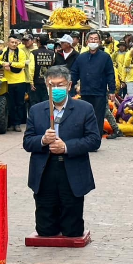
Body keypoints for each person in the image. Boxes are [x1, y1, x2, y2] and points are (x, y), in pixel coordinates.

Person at [24, 66, 101, 237]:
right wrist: (43, 140)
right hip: (45, 169)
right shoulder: (37, 110)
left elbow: (94, 140)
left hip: (71, 168)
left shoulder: (84, 109)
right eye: (52, 85)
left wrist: (66, 147)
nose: (56, 89)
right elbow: (28, 142)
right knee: (45, 229)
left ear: (69, 85)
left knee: (72, 229)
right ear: (46, 85)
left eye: (61, 85)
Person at [71, 31, 117, 134]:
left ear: (100, 41)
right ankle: (87, 136)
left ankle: (96, 138)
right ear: (87, 42)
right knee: (85, 116)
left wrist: (112, 90)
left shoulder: (105, 57)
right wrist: (69, 84)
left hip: (100, 92)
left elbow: (110, 74)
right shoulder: (81, 57)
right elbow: (74, 73)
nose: (93, 41)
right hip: (85, 92)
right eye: (91, 39)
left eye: (95, 39)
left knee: (98, 117)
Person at [0, 34, 30, 132]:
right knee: (10, 104)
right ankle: (11, 123)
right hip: (8, 81)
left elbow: (22, 64)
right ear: (8, 43)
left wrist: (10, 64)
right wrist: (3, 63)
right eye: (12, 42)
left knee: (20, 103)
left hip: (20, 81)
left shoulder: (21, 52)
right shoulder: (5, 52)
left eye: (15, 42)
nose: (14, 44)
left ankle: (17, 123)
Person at [29, 35, 56, 106]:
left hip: (36, 82)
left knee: (35, 103)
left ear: (38, 42)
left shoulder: (33, 53)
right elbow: (53, 68)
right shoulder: (52, 53)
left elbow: (31, 68)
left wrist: (31, 82)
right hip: (48, 83)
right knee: (47, 103)